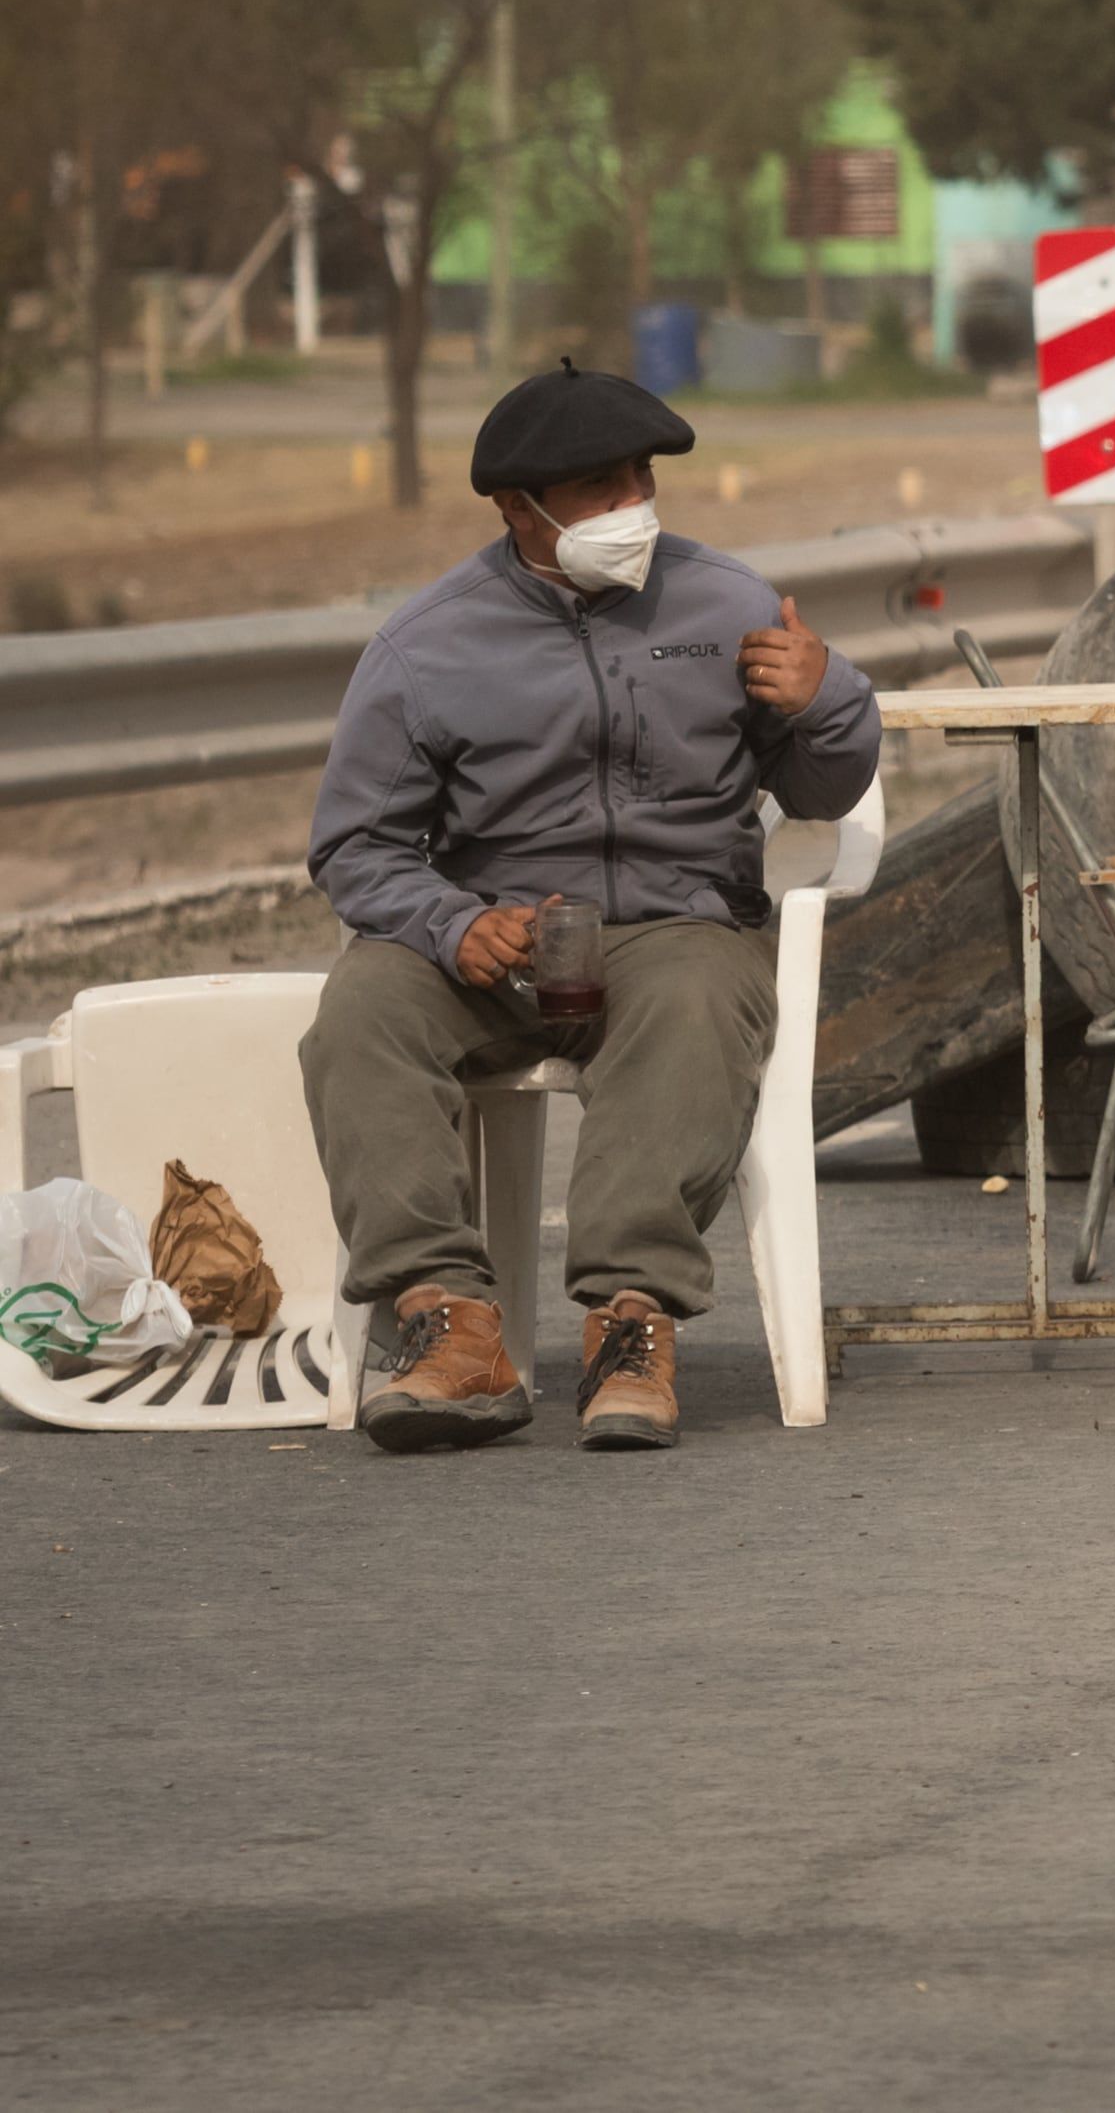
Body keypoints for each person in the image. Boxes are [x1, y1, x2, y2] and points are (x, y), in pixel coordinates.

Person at [303, 360, 881, 1454]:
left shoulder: (727, 603)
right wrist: (450, 925)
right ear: (516, 509)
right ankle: (446, 1321)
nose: (632, 508)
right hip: (499, 944)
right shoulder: (427, 645)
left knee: (697, 1003)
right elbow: (355, 844)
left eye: (640, 479)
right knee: (361, 1010)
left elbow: (821, 792)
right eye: (598, 490)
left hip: (676, 928)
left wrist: (829, 700)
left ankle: (630, 1323)